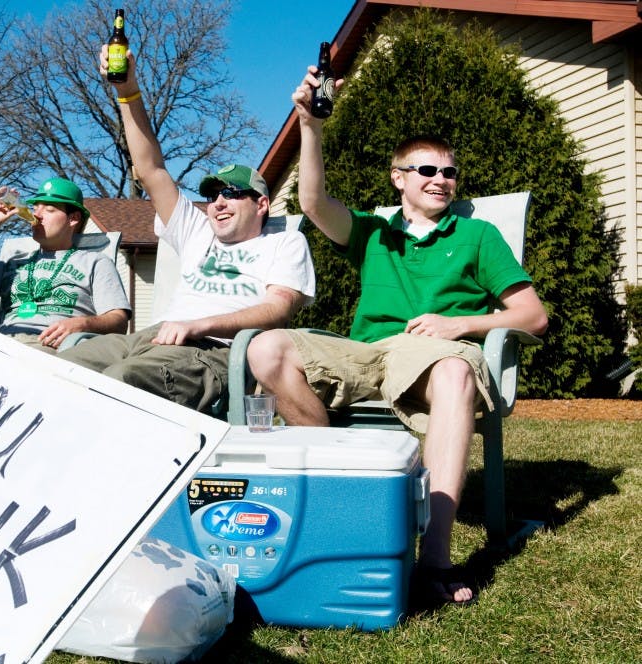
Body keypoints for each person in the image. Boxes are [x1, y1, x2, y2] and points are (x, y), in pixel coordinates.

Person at [246, 66, 549, 606]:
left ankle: (433, 558)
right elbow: (314, 204)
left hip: (436, 354)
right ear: (398, 178)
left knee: (456, 369)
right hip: (368, 351)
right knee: (267, 348)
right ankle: (351, 494)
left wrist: (465, 325)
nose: (441, 179)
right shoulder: (374, 232)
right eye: (427, 169)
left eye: (450, 173)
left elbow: (532, 316)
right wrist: (309, 125)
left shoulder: (478, 234)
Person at [57, 45, 315, 413]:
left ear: (261, 204)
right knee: (56, 370)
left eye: (231, 193)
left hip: (217, 351)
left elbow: (277, 310)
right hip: (152, 337)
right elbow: (151, 170)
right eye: (211, 195)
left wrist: (198, 325)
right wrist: (126, 90)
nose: (218, 202)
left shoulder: (285, 241)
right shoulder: (198, 231)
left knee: (119, 384)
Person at [0, 177, 131, 353]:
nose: (36, 214)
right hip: (3, 346)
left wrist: (83, 323)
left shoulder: (95, 262)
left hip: (58, 349)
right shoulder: (11, 260)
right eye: (35, 207)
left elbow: (119, 321)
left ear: (73, 218)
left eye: (49, 209)